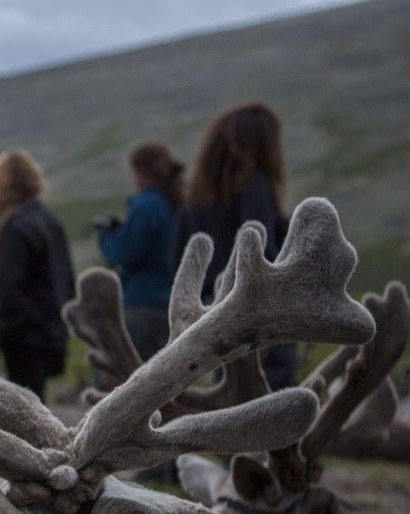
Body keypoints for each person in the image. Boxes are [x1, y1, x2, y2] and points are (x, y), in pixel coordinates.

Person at [172, 101, 296, 388]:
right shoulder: (255, 186)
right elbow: (261, 254)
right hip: (263, 323)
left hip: (219, 320)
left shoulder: (196, 198)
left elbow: (178, 265)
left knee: (233, 401)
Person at [0, 148, 75, 400]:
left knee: (27, 410)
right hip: (50, 331)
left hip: (25, 338)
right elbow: (66, 280)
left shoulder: (15, 227)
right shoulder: (49, 221)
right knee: (38, 404)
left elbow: (8, 289)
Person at [93, 140, 185, 361]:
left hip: (143, 303)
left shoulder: (146, 206)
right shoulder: (175, 201)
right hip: (172, 301)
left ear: (141, 171)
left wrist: (106, 235)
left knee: (126, 371)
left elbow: (125, 254)